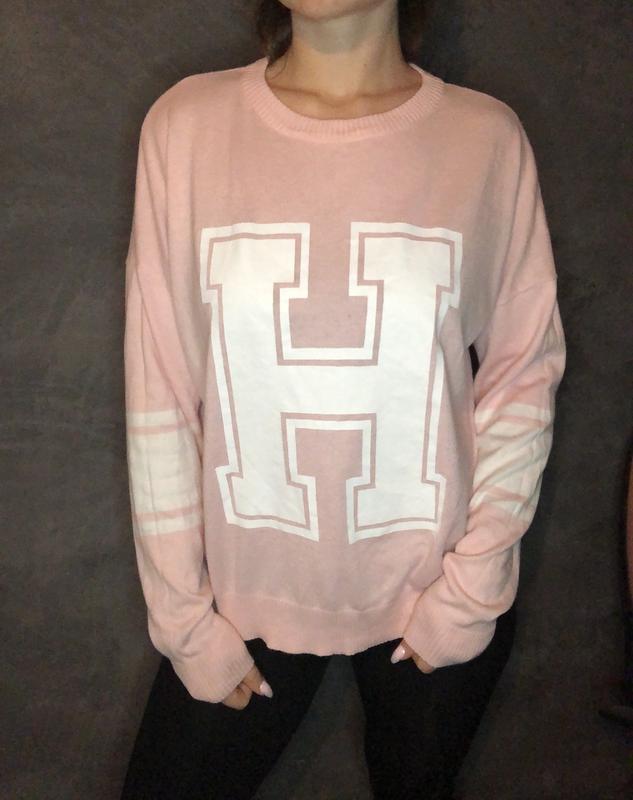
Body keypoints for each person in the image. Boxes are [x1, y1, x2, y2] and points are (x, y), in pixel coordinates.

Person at [120, 1, 567, 798]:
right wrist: (184, 619)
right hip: (244, 600)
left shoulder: (484, 140)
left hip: (432, 592)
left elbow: (521, 374)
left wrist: (470, 590)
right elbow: (160, 389)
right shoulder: (185, 127)